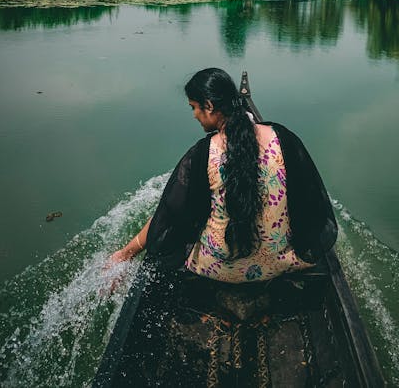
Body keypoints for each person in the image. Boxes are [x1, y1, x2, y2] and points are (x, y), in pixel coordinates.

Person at [109, 68, 337, 281]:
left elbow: (169, 215)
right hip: (281, 264)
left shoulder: (202, 154)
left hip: (218, 269)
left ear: (209, 105)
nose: (194, 115)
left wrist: (124, 254)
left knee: (178, 225)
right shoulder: (284, 138)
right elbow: (310, 196)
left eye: (194, 107)